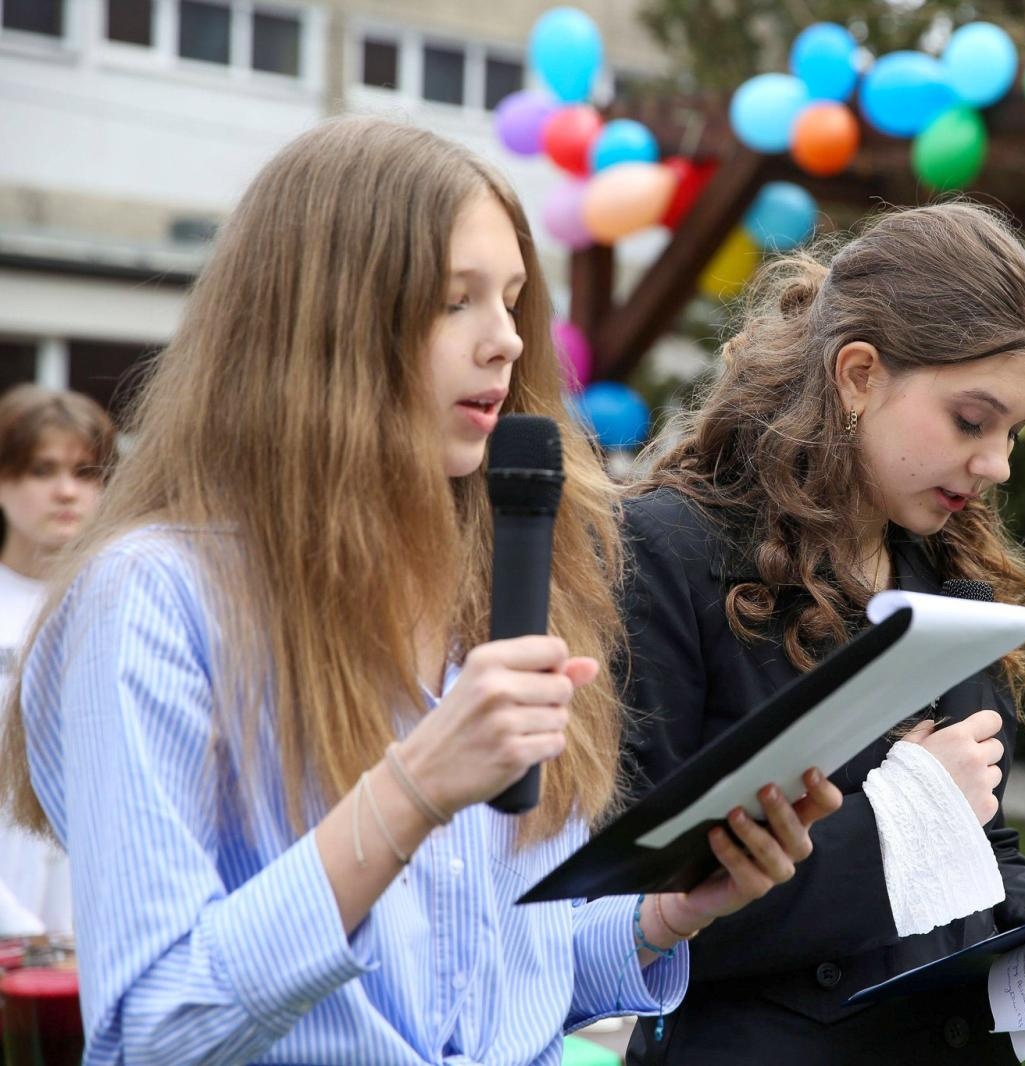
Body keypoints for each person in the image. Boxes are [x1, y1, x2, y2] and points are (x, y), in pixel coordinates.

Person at [0, 116, 839, 1066]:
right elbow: (157, 1023)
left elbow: (486, 977)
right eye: (455, 301)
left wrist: (666, 914)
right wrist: (411, 791)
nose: (507, 342)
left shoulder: (476, 581)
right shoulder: (155, 597)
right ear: (326, 327)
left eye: (514, 300)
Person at [619, 203, 1025, 1064]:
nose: (999, 466)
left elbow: (976, 842)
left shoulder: (947, 573)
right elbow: (640, 914)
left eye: (1014, 432)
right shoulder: (672, 552)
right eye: (971, 420)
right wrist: (906, 816)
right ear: (859, 374)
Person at [0, 384, 115, 936]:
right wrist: (16, 926)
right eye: (42, 470)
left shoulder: (119, 603)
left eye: (86, 472)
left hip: (92, 932)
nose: (66, 492)